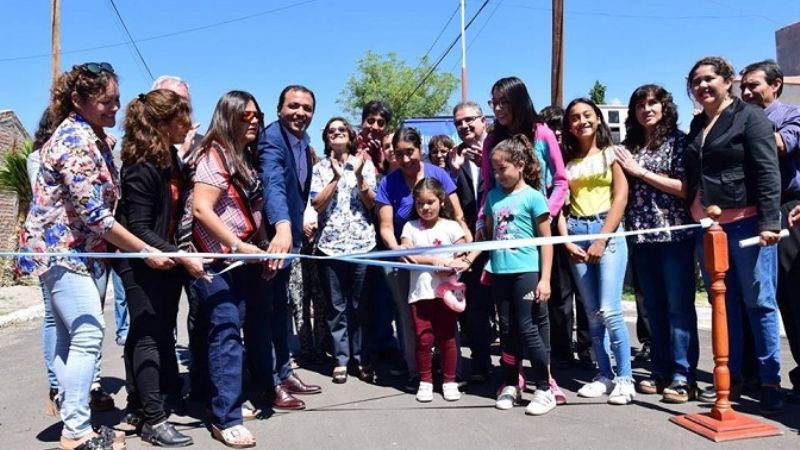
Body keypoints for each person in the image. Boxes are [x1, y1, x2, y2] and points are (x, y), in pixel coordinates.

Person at [18, 62, 174, 450]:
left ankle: (75, 424)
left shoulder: (94, 137)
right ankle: (75, 431)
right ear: (78, 99)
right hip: (62, 253)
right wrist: (146, 249)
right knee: (88, 333)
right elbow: (97, 217)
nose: (114, 109)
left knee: (77, 338)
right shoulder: (74, 140)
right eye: (106, 102)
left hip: (81, 254)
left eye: (116, 101)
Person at [683, 56, 783, 415]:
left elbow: (767, 170)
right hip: (708, 228)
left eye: (709, 78)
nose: (702, 86)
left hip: (747, 224)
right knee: (723, 305)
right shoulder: (697, 125)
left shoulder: (751, 117)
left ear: (728, 81)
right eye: (696, 81)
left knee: (759, 302)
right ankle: (735, 378)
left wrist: (770, 222)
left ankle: (770, 381)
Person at [114, 89, 203, 446]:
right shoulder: (141, 165)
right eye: (183, 118)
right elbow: (137, 226)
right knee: (149, 335)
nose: (187, 125)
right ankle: (153, 419)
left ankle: (141, 404)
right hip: (140, 265)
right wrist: (181, 254)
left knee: (156, 333)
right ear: (165, 123)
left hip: (164, 260)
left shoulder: (169, 157)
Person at [480, 77, 567, 403]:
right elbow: (488, 191)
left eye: (504, 101)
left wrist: (543, 211)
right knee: (507, 322)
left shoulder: (542, 133)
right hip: (502, 248)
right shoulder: (492, 142)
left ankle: (546, 381)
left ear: (518, 100)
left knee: (536, 318)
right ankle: (512, 379)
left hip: (534, 239)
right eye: (494, 102)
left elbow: (560, 180)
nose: (499, 109)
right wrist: (481, 227)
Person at [188, 90, 268, 448]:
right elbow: (202, 210)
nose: (252, 121)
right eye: (244, 116)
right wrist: (238, 245)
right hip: (216, 260)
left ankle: (219, 400)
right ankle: (226, 418)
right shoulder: (213, 155)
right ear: (228, 116)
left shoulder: (243, 156)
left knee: (223, 330)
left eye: (256, 115)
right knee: (225, 334)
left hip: (241, 259)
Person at [615, 84, 699, 403]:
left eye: (653, 103)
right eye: (640, 105)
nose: (646, 109)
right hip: (641, 236)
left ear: (665, 107)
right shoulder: (629, 146)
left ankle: (683, 375)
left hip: (674, 234)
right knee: (653, 308)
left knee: (679, 306)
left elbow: (684, 188)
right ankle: (660, 369)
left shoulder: (679, 141)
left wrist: (640, 171)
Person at [375, 127, 472, 388]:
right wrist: (397, 249)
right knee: (411, 318)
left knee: (447, 312)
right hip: (404, 259)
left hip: (443, 259)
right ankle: (418, 373)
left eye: (410, 152)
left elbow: (457, 214)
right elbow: (385, 225)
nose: (405, 159)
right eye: (399, 154)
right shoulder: (388, 182)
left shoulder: (437, 174)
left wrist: (465, 251)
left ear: (420, 149)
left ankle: (453, 372)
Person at [559, 97, 635, 405]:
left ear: (598, 118)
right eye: (574, 117)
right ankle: (604, 374)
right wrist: (565, 241)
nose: (581, 121)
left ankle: (625, 378)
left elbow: (621, 198)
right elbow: (560, 208)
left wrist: (602, 238)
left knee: (610, 309)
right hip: (575, 233)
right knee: (590, 312)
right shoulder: (566, 162)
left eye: (587, 115)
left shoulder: (612, 154)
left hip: (608, 231)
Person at [255, 85, 322, 411]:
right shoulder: (271, 139)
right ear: (280, 109)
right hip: (271, 242)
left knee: (280, 312)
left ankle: (284, 372)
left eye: (307, 108)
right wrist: (282, 227)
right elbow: (273, 185)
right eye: (293, 106)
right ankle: (269, 383)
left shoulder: (305, 142)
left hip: (291, 240)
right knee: (265, 315)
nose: (300, 113)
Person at [480, 135, 556, 415]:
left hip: (527, 272)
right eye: (495, 170)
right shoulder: (493, 198)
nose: (499, 175)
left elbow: (547, 241)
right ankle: (511, 383)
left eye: (504, 169)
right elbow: (489, 234)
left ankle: (544, 388)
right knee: (507, 330)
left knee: (527, 327)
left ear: (520, 165)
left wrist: (545, 279)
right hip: (500, 272)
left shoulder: (534, 197)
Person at [740, 59, 800, 404]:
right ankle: (756, 376)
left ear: (775, 85)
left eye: (754, 86)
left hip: (787, 210)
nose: (747, 92)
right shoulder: (740, 119)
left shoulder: (790, 114)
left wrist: (742, 130)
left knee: (793, 296)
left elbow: (780, 144)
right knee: (758, 295)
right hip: (750, 212)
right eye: (743, 88)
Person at [310, 117, 377, 384]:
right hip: (330, 247)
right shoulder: (320, 168)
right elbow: (316, 204)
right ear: (326, 138)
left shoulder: (365, 164)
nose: (336, 133)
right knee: (336, 307)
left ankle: (362, 358)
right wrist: (336, 179)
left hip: (362, 244)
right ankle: (341, 359)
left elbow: (372, 203)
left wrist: (358, 175)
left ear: (350, 136)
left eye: (341, 130)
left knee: (361, 305)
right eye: (331, 131)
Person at [538, 104, 594, 371]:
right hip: (554, 233)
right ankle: (561, 351)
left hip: (584, 231)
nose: (558, 133)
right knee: (560, 296)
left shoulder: (578, 155)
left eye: (562, 127)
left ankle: (588, 349)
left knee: (586, 296)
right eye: (552, 129)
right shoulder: (543, 161)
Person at [400, 177, 466, 402]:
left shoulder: (451, 227)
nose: (425, 208)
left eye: (430, 202)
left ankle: (449, 381)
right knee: (424, 339)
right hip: (420, 294)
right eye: (420, 203)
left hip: (446, 294)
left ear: (441, 201)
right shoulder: (410, 227)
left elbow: (462, 253)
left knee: (447, 338)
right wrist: (432, 260)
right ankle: (425, 381)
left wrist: (452, 265)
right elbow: (406, 252)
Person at [449, 101, 492, 382]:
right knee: (475, 309)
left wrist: (486, 163)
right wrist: (454, 172)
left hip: (503, 240)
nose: (464, 126)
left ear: (483, 120)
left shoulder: (499, 146)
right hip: (471, 243)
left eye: (469, 120)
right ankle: (481, 364)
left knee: (510, 310)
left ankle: (518, 370)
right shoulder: (457, 158)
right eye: (459, 123)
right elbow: (451, 203)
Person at [358, 100, 392, 167]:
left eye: (381, 123)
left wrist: (378, 159)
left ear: (386, 127)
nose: (375, 127)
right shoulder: (350, 145)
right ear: (362, 122)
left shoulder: (391, 148)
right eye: (370, 121)